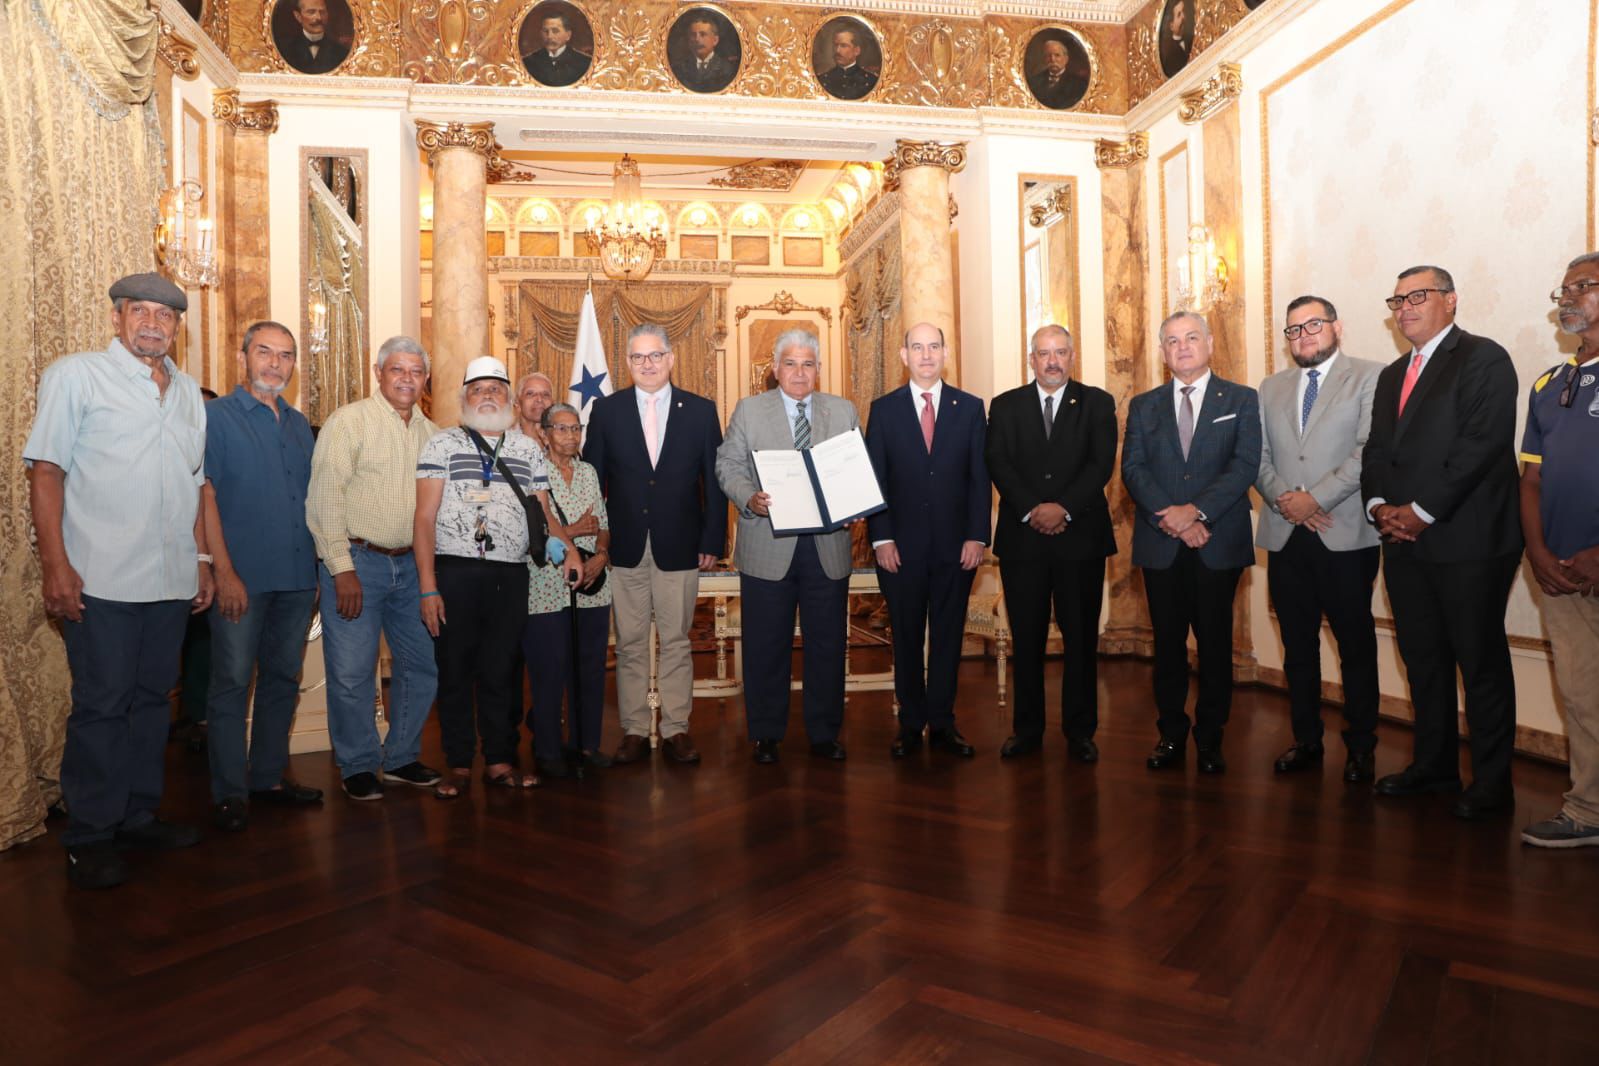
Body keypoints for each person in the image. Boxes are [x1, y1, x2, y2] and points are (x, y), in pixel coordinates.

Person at [24, 272, 212, 889]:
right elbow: (46, 472)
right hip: (99, 578)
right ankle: (90, 835)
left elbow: (193, 484)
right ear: (117, 318)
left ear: (177, 327)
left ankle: (136, 816)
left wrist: (201, 560)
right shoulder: (76, 376)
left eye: (166, 315)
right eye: (141, 312)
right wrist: (56, 565)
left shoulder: (188, 393)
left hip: (170, 581)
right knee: (102, 706)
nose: (153, 323)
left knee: (153, 703)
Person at [1362, 266, 1522, 819]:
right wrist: (1378, 506)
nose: (1404, 307)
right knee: (1423, 659)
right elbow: (1377, 451)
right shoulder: (1392, 374)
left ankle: (1493, 784)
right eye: (1397, 300)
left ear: (1451, 301)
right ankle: (1434, 767)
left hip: (1470, 540)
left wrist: (1422, 512)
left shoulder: (1483, 358)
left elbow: (1481, 445)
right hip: (1403, 541)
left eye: (1418, 296)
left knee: (1479, 663)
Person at [414, 356, 578, 797]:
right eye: (478, 389)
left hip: (511, 573)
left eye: (495, 389)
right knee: (454, 671)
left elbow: (544, 512)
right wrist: (427, 586)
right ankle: (458, 764)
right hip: (454, 571)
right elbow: (424, 518)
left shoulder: (527, 449)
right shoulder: (441, 445)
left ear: (509, 399)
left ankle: (500, 760)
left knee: (501, 669)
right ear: (464, 397)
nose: (487, 396)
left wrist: (569, 551)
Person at [1121, 311, 1260, 774]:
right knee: (1167, 647)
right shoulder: (1143, 405)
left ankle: (1211, 737)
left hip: (1217, 541)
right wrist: (1175, 519)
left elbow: (1244, 465)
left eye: (1191, 338)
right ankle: (1171, 734)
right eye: (1173, 340)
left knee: (1215, 646)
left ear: (1210, 344)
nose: (1182, 347)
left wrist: (1196, 512)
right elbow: (1133, 469)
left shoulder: (1241, 399)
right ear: (1163, 351)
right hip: (1161, 543)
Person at [306, 336, 444, 801]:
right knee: (352, 672)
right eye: (397, 370)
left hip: (413, 566)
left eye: (416, 372)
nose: (407, 379)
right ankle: (359, 763)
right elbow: (324, 497)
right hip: (358, 562)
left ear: (426, 379)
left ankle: (401, 757)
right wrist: (340, 567)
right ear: (378, 373)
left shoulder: (433, 435)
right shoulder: (349, 422)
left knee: (421, 665)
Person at [584, 324, 727, 765]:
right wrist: (596, 544)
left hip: (681, 545)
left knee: (677, 640)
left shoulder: (701, 411)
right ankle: (632, 729)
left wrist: (712, 539)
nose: (647, 364)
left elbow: (714, 482)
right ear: (628, 363)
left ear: (670, 359)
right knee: (629, 643)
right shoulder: (606, 411)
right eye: (638, 357)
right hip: (623, 547)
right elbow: (592, 481)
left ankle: (676, 729)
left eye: (655, 355)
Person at [1255, 296, 1384, 782]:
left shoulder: (1370, 376)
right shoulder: (1270, 387)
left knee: (1355, 648)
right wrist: (1285, 500)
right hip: (1286, 534)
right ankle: (1306, 739)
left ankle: (1361, 747)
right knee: (1298, 648)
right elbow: (1257, 456)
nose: (1303, 335)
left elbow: (1368, 449)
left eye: (1313, 325)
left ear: (1336, 326)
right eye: (1294, 329)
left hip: (1344, 534)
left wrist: (1316, 499)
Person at [200, 322, 322, 832]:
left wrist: (316, 572)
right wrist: (222, 570)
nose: (275, 363)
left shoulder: (299, 425)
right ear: (243, 356)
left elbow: (313, 502)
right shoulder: (216, 418)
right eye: (265, 352)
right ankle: (229, 792)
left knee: (281, 679)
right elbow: (204, 495)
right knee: (231, 682)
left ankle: (267, 778)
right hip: (241, 579)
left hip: (296, 578)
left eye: (286, 355)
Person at [716, 330, 858, 764]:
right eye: (791, 364)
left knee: (828, 646)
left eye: (808, 364)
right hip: (767, 545)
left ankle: (824, 734)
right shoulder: (749, 410)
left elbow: (856, 469)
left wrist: (855, 502)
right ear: (776, 369)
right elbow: (728, 464)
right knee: (765, 645)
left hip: (827, 548)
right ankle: (765, 734)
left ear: (819, 369)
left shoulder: (843, 410)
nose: (799, 373)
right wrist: (749, 498)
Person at [985, 325, 1116, 762]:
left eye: (1060, 352)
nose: (1053, 361)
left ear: (1072, 357)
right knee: (1026, 641)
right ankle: (1026, 730)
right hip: (1023, 542)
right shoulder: (1005, 406)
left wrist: (1063, 508)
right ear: (1032, 360)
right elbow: (998, 462)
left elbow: (1100, 464)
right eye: (1044, 353)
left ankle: (1080, 732)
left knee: (1081, 640)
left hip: (1081, 540)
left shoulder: (1097, 403)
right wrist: (1032, 509)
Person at [865, 322, 991, 759]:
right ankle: (909, 723)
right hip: (900, 549)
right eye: (917, 347)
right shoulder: (883, 410)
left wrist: (977, 535)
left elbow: (979, 479)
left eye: (933, 346)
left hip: (957, 549)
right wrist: (881, 538)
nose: (925, 355)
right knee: (905, 636)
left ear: (945, 353)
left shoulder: (970, 408)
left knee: (948, 637)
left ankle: (942, 722)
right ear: (904, 356)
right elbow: (876, 480)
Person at [1520, 252, 1599, 847]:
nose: (1567, 297)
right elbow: (1531, 480)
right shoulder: (1550, 384)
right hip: (1561, 573)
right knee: (1580, 695)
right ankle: (1588, 811)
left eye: (1582, 287)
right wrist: (1539, 553)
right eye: (1564, 290)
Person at [525, 403, 614, 779]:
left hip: (592, 584)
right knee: (549, 669)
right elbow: (535, 529)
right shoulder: (532, 471)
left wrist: (602, 555)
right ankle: (547, 749)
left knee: (590, 668)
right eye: (561, 429)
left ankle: (586, 744)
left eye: (576, 428)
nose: (571, 435)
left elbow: (603, 523)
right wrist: (574, 531)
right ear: (543, 434)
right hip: (546, 584)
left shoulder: (589, 471)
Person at [278, 0, 349, 75]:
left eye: (322, 12)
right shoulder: (283, 51)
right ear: (298, 16)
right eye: (311, 12)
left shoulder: (342, 53)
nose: (319, 17)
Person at [523, 10, 591, 87]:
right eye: (545, 31)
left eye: (555, 31)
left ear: (568, 35)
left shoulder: (585, 63)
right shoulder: (527, 62)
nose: (549, 36)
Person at [671, 14, 737, 93]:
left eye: (703, 34)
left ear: (715, 40)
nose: (697, 39)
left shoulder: (727, 69)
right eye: (693, 35)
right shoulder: (679, 68)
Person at [1026, 38, 1088, 110]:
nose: (1052, 59)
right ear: (1044, 59)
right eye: (1048, 55)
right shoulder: (1034, 82)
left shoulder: (1079, 84)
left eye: (1057, 55)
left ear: (1066, 59)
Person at [818, 27, 878, 100]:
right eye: (836, 45)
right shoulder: (822, 79)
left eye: (843, 46)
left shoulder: (871, 81)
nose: (837, 50)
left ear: (857, 51)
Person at [516, 371, 556, 452]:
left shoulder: (562, 442)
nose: (539, 399)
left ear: (553, 404)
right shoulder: (503, 441)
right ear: (518, 403)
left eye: (546, 394)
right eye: (530, 394)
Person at [1159, 0, 1194, 78]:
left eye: (1184, 11)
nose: (1183, 17)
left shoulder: (1191, 39)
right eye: (1179, 15)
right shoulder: (1169, 53)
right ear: (1171, 26)